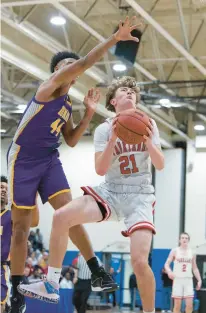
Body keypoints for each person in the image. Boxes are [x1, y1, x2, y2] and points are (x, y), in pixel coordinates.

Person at [8, 16, 139, 312]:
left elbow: (70, 139)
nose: (70, 69)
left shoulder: (66, 103)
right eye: (65, 66)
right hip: (24, 158)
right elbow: (85, 63)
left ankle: (97, 271)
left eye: (72, 67)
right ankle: (16, 291)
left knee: (69, 214)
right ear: (57, 71)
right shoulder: (49, 87)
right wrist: (114, 39)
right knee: (21, 229)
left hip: (49, 159)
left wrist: (89, 112)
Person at [19, 75, 164, 313]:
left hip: (140, 195)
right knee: (60, 216)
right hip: (111, 190)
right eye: (123, 90)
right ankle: (51, 283)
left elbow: (160, 164)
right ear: (113, 102)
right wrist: (114, 139)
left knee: (139, 262)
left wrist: (148, 143)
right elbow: (100, 169)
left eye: (132, 91)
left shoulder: (149, 124)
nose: (129, 92)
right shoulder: (104, 129)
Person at [164, 232, 202, 313]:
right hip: (178, 280)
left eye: (186, 238)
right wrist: (169, 272)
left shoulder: (192, 252)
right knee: (177, 305)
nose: (184, 239)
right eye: (183, 238)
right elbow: (166, 264)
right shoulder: (174, 251)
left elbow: (194, 268)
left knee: (189, 305)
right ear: (179, 240)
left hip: (188, 280)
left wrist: (199, 280)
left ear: (188, 240)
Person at [1, 176, 12, 313]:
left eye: (5, 188)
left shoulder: (12, 215)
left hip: (1, 267)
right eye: (0, 187)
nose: (3, 190)